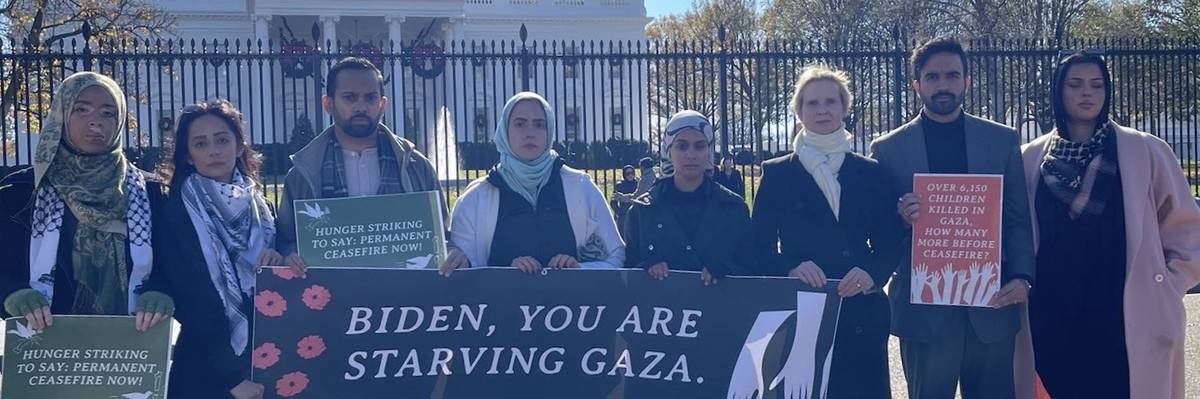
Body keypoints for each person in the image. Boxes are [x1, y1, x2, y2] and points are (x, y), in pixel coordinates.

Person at [1013, 52, 1200, 399]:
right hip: (1052, 315)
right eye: (1076, 85)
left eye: (1097, 85)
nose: (1088, 93)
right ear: (1058, 91)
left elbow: (1187, 228)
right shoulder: (1030, 158)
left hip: (1123, 312)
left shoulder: (1145, 151)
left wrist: (1169, 285)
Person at [870, 38, 1036, 399]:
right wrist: (899, 217)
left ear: (967, 81)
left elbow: (1018, 219)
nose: (942, 85)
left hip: (991, 305)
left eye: (951, 75)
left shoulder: (1002, 140)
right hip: (924, 313)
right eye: (932, 77)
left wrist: (1023, 276)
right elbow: (877, 232)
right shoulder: (887, 149)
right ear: (917, 85)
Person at [752, 66, 901, 397]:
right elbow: (757, 247)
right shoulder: (777, 174)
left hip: (860, 305)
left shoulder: (870, 172)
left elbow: (891, 241)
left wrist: (872, 273)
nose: (822, 110)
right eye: (812, 103)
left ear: (845, 107)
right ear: (798, 111)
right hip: (802, 308)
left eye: (830, 101)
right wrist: (790, 267)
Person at [0, 72, 172, 332]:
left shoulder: (150, 192)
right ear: (61, 115)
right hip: (47, 349)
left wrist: (161, 290)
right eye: (81, 110)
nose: (95, 123)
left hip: (134, 349)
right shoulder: (20, 193)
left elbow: (174, 262)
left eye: (107, 113)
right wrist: (11, 294)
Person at [144, 100, 283, 399]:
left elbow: (278, 268)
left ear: (239, 146)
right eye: (200, 143)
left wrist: (279, 260)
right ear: (189, 156)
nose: (213, 150)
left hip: (265, 358)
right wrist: (230, 378)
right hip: (208, 373)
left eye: (222, 140)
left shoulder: (262, 207)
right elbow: (191, 300)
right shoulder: (176, 212)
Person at [276, 57, 449, 270]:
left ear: (382, 104)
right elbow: (284, 240)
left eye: (370, 98)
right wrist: (290, 255)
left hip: (404, 296)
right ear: (328, 104)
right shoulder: (303, 174)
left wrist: (453, 251)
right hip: (331, 296)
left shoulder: (417, 166)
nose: (361, 106)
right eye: (349, 97)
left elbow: (442, 236)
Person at [440, 92, 624, 273]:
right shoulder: (476, 198)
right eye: (520, 124)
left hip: (573, 301)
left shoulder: (581, 188)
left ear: (549, 130)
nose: (530, 133)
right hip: (502, 303)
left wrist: (578, 268)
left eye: (539, 125)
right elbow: (463, 274)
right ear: (505, 131)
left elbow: (616, 257)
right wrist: (506, 273)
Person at [625, 110, 753, 285]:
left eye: (699, 146)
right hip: (661, 309)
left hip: (721, 309)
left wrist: (727, 270)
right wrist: (646, 267)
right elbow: (626, 272)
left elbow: (753, 267)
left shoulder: (734, 208)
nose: (691, 154)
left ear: (709, 151)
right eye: (682, 146)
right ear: (668, 151)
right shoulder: (642, 211)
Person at [610, 164, 639, 238]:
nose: (630, 175)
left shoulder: (638, 184)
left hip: (636, 213)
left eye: (632, 173)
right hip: (623, 213)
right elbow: (613, 202)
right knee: (623, 235)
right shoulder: (620, 185)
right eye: (628, 173)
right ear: (624, 175)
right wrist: (619, 212)